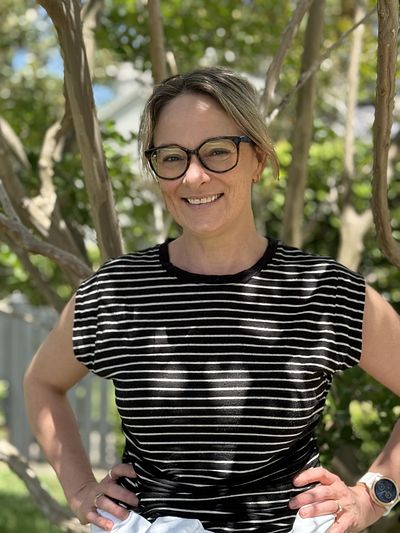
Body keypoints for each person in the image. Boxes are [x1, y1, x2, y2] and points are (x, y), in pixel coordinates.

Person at [23, 67, 400, 533]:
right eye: (171, 157)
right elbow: (41, 382)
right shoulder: (116, 291)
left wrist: (373, 495)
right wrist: (80, 488)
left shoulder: (323, 290)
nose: (194, 176)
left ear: (258, 159)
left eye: (218, 151)